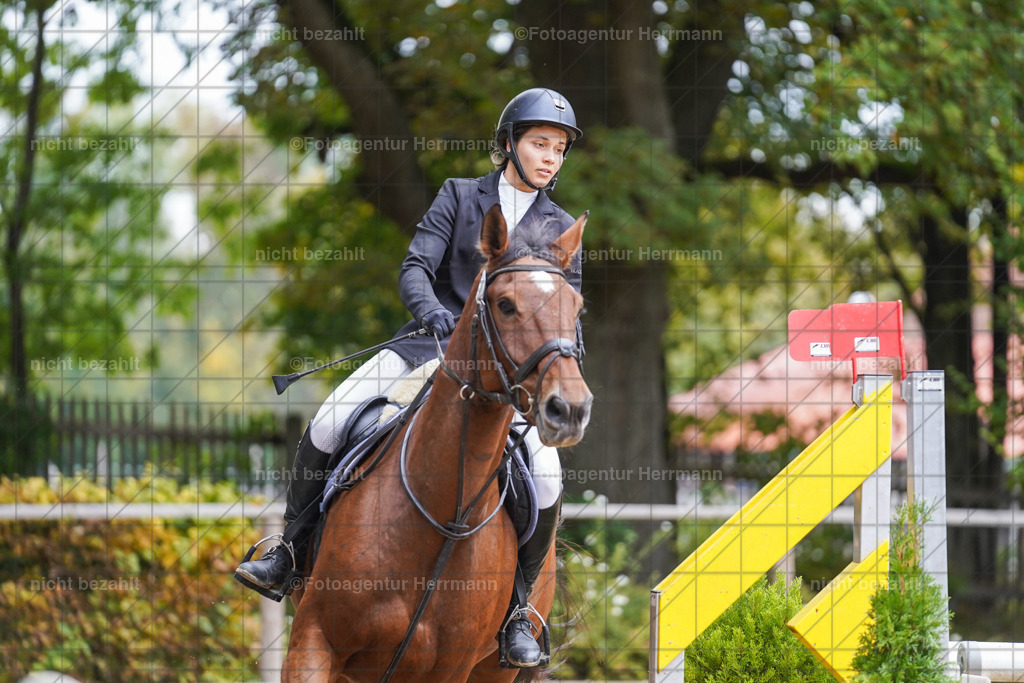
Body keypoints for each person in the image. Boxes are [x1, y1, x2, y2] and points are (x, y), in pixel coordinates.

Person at [235, 87, 584, 668]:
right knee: (332, 418)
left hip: (507, 377)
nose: (550, 157)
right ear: (509, 143)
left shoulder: (562, 227)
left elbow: (569, 318)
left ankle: (520, 612)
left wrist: (557, 377)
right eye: (540, 143)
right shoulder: (460, 195)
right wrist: (433, 313)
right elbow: (417, 266)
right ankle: (288, 553)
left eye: (559, 149)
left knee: (546, 478)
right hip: (428, 346)